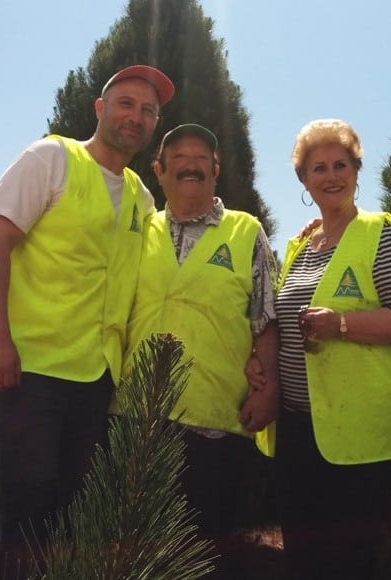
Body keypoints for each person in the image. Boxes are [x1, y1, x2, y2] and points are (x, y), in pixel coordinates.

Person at [0, 65, 174, 579]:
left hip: (98, 379)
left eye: (148, 111)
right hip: (33, 371)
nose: (136, 116)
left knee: (75, 519)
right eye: (126, 104)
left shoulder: (142, 198)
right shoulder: (51, 159)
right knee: (27, 514)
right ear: (100, 109)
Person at [257, 118, 391, 579]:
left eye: (341, 165)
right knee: (303, 556)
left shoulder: (379, 235)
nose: (331, 176)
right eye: (319, 168)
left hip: (361, 434)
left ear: (356, 172)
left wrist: (343, 325)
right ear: (303, 180)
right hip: (298, 429)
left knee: (350, 561)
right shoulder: (300, 246)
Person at [121, 123, 280, 578]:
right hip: (134, 417)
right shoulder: (139, 230)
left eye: (200, 159)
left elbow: (266, 317)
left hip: (214, 422)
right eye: (179, 158)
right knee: (131, 550)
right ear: (159, 171)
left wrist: (268, 388)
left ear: (215, 169)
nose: (190, 166)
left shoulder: (245, 231)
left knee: (202, 555)